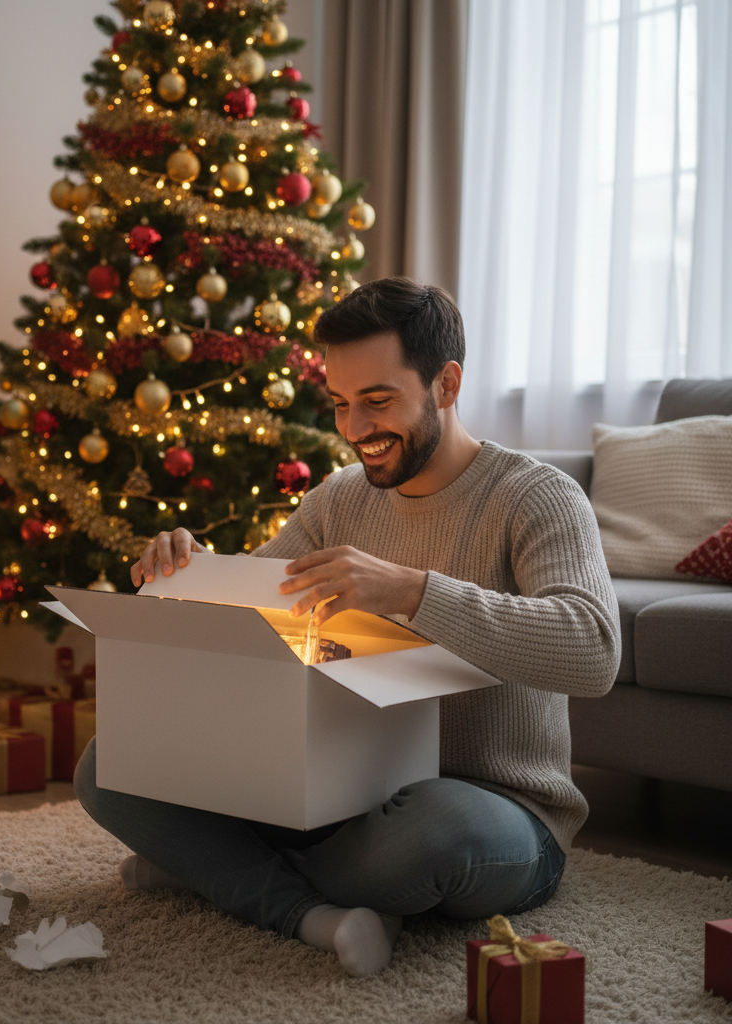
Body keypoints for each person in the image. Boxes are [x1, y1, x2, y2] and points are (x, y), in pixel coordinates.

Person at [74, 277, 620, 977]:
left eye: (379, 401)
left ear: (446, 385)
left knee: (434, 832)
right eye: (339, 404)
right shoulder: (339, 498)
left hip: (490, 807)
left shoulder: (537, 497)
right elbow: (253, 598)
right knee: (111, 764)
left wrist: (413, 592)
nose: (356, 428)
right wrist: (186, 573)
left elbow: (594, 650)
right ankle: (314, 913)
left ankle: (213, 870)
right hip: (342, 792)